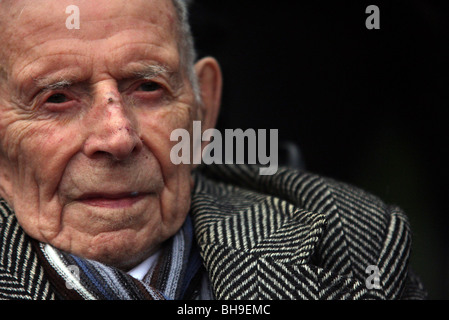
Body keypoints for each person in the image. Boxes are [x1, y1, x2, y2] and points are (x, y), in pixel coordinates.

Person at [0, 0, 426, 300]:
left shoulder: (355, 239)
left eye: (149, 87)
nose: (117, 137)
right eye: (56, 98)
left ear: (203, 106)